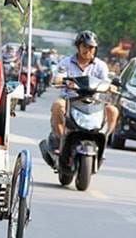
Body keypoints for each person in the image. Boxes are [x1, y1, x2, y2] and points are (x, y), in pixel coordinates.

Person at [42, 30, 119, 160]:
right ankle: (62, 142)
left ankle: (102, 141)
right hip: (70, 100)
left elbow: (106, 81)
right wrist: (62, 80)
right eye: (85, 46)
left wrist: (111, 86)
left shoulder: (100, 66)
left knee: (113, 110)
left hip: (94, 103)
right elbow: (57, 77)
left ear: (95, 49)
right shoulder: (66, 63)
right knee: (57, 105)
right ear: (78, 46)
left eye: (91, 47)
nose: (88, 50)